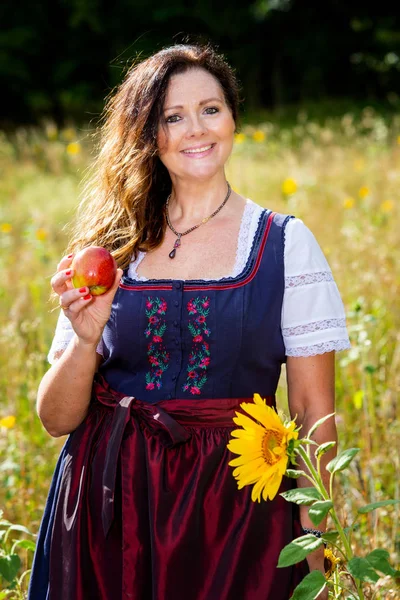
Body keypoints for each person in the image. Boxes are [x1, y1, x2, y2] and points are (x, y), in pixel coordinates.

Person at [28, 43, 351, 600]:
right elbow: (56, 419)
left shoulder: (284, 245)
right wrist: (84, 342)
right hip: (110, 508)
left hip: (232, 511)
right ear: (148, 136)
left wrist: (315, 539)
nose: (196, 129)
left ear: (232, 117)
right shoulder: (110, 251)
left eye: (210, 109)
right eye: (172, 117)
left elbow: (311, 411)